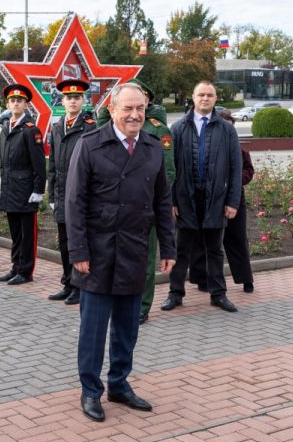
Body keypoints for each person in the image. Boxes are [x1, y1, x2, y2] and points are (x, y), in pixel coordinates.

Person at [65, 83, 176, 422]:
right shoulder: (90, 145)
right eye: (127, 108)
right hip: (96, 255)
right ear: (111, 110)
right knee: (94, 330)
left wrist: (169, 247)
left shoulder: (153, 147)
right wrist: (78, 251)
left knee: (128, 326)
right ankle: (90, 390)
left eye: (140, 108)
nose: (134, 115)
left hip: (134, 251)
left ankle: (119, 383)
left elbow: (162, 201)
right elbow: (74, 202)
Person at [97, 80, 177, 324]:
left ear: (147, 102)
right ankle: (118, 301)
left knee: (145, 259)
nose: (133, 113)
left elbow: (168, 172)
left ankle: (142, 306)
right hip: (117, 209)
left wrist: (152, 204)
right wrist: (109, 103)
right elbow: (101, 124)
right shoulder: (113, 126)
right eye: (126, 105)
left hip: (145, 209)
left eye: (139, 103)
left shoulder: (157, 130)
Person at [161, 80, 243, 314]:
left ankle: (218, 294)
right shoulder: (177, 128)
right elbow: (169, 168)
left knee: (215, 249)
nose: (205, 98)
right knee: (180, 250)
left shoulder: (227, 130)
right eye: (201, 94)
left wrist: (232, 201)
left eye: (210, 95)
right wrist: (172, 201)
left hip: (216, 200)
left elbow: (235, 168)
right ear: (193, 98)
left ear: (216, 99)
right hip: (185, 199)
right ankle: (175, 294)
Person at [189, 109, 255, 294]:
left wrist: (231, 181)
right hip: (209, 198)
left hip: (234, 198)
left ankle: (245, 279)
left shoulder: (240, 150)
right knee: (203, 238)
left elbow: (248, 171)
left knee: (237, 238)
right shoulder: (205, 147)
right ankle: (201, 278)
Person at [47, 78, 97, 305]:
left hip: (80, 195)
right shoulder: (57, 126)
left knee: (79, 242)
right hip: (61, 193)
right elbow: (53, 166)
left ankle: (80, 286)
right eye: (69, 98)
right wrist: (50, 195)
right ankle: (67, 282)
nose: (73, 101)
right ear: (63, 101)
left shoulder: (89, 126)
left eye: (77, 98)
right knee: (64, 241)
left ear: (83, 100)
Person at [0, 84, 46, 285]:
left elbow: (39, 164)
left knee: (27, 235)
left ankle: (26, 271)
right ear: (7, 104)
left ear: (26, 105)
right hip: (10, 189)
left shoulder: (30, 130)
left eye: (19, 101)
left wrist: (38, 190)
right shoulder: (5, 128)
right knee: (15, 233)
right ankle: (16, 266)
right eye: (12, 101)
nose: (15, 103)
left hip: (25, 190)